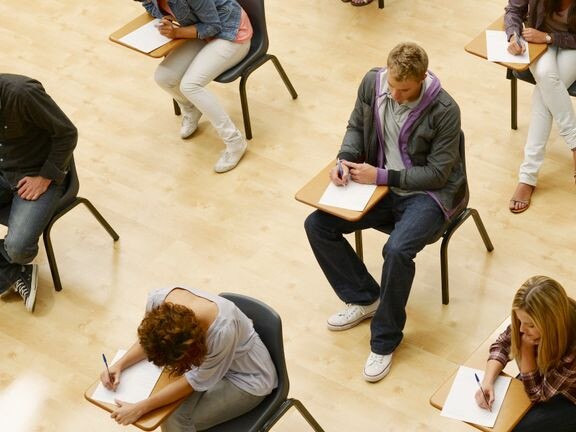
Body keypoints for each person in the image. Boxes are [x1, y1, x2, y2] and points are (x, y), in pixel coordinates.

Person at [304, 42, 464, 383]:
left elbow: (438, 173)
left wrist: (383, 176)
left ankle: (385, 340)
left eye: (404, 89)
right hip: (381, 186)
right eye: (391, 85)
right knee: (317, 224)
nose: (394, 94)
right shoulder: (372, 83)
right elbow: (356, 128)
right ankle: (364, 297)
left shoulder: (446, 110)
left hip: (428, 195)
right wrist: (344, 159)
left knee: (396, 250)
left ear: (422, 79)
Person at [100, 286, 277, 431]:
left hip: (247, 379)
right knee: (166, 406)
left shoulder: (222, 330)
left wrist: (141, 407)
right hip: (211, 368)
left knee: (174, 419)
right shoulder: (157, 300)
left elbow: (193, 381)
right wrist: (120, 364)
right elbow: (151, 341)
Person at [136, 0, 253, 173]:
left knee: (190, 86)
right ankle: (191, 109)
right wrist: (166, 17)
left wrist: (176, 32)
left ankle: (235, 141)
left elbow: (213, 26)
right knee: (163, 77)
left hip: (230, 32)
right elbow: (150, 6)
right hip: (200, 31)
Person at [0, 73, 77, 313]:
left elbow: (67, 134)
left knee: (19, 248)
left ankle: (17, 264)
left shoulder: (22, 93)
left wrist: (45, 178)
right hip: (3, 170)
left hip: (37, 175)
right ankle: (11, 271)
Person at [475, 276, 576, 431]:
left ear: (551, 323)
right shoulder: (538, 317)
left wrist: (526, 348)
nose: (521, 329)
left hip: (569, 395)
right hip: (544, 378)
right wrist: (487, 381)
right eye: (519, 321)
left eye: (530, 325)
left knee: (517, 427)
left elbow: (538, 394)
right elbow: (502, 345)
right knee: (504, 417)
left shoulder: (572, 351)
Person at [505, 0, 576, 213]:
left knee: (543, 95)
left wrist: (549, 37)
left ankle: (527, 177)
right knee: (546, 77)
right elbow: (513, 10)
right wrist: (513, 35)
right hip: (537, 41)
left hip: (572, 45)